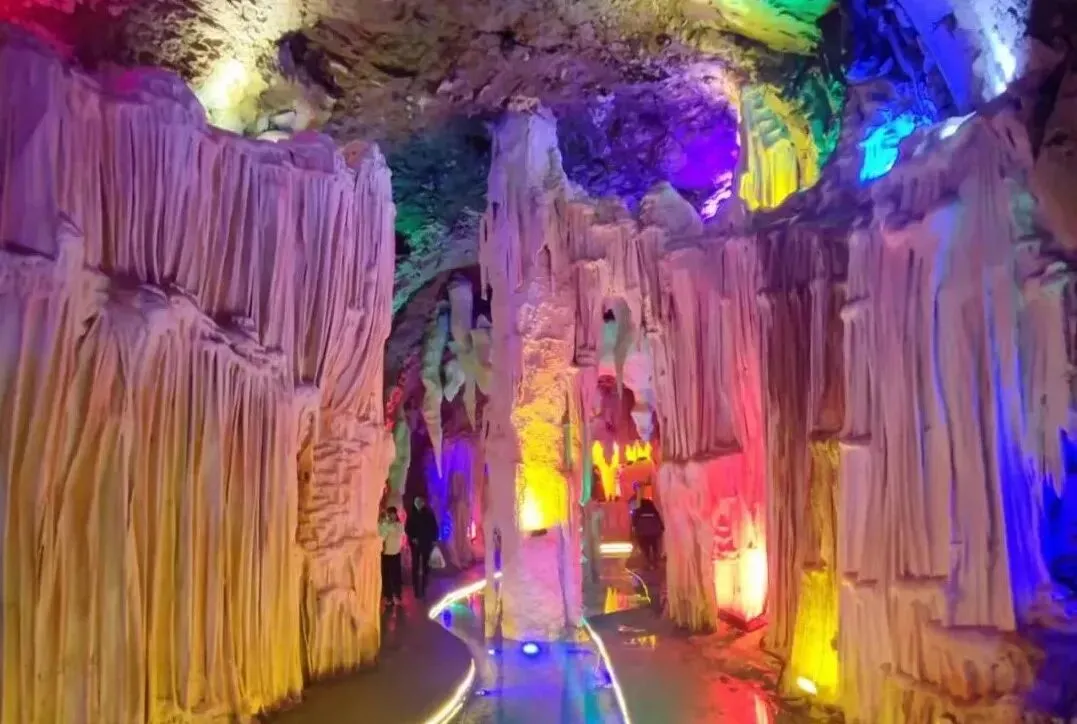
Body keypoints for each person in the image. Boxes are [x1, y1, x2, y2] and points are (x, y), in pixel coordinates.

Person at [405, 495, 439, 597]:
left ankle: (423, 588)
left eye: (420, 501)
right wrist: (413, 538)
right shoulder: (412, 515)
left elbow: (434, 527)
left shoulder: (429, 514)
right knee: (415, 566)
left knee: (425, 566)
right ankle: (416, 589)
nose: (419, 504)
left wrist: (434, 539)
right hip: (415, 544)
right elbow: (408, 528)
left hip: (426, 543)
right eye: (417, 502)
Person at [379, 506, 405, 606]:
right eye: (389, 514)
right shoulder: (385, 524)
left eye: (392, 514)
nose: (391, 516)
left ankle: (397, 595)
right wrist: (384, 524)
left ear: (395, 514)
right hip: (386, 554)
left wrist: (385, 524)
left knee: (396, 576)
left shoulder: (399, 525)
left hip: (395, 554)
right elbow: (382, 535)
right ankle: (388, 597)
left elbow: (397, 531)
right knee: (386, 576)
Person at [632, 497, 664, 570]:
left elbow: (634, 522)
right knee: (654, 547)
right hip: (653, 532)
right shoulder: (654, 510)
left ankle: (647, 562)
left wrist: (635, 530)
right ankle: (655, 562)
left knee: (645, 548)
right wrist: (661, 528)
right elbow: (659, 520)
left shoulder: (638, 511)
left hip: (643, 533)